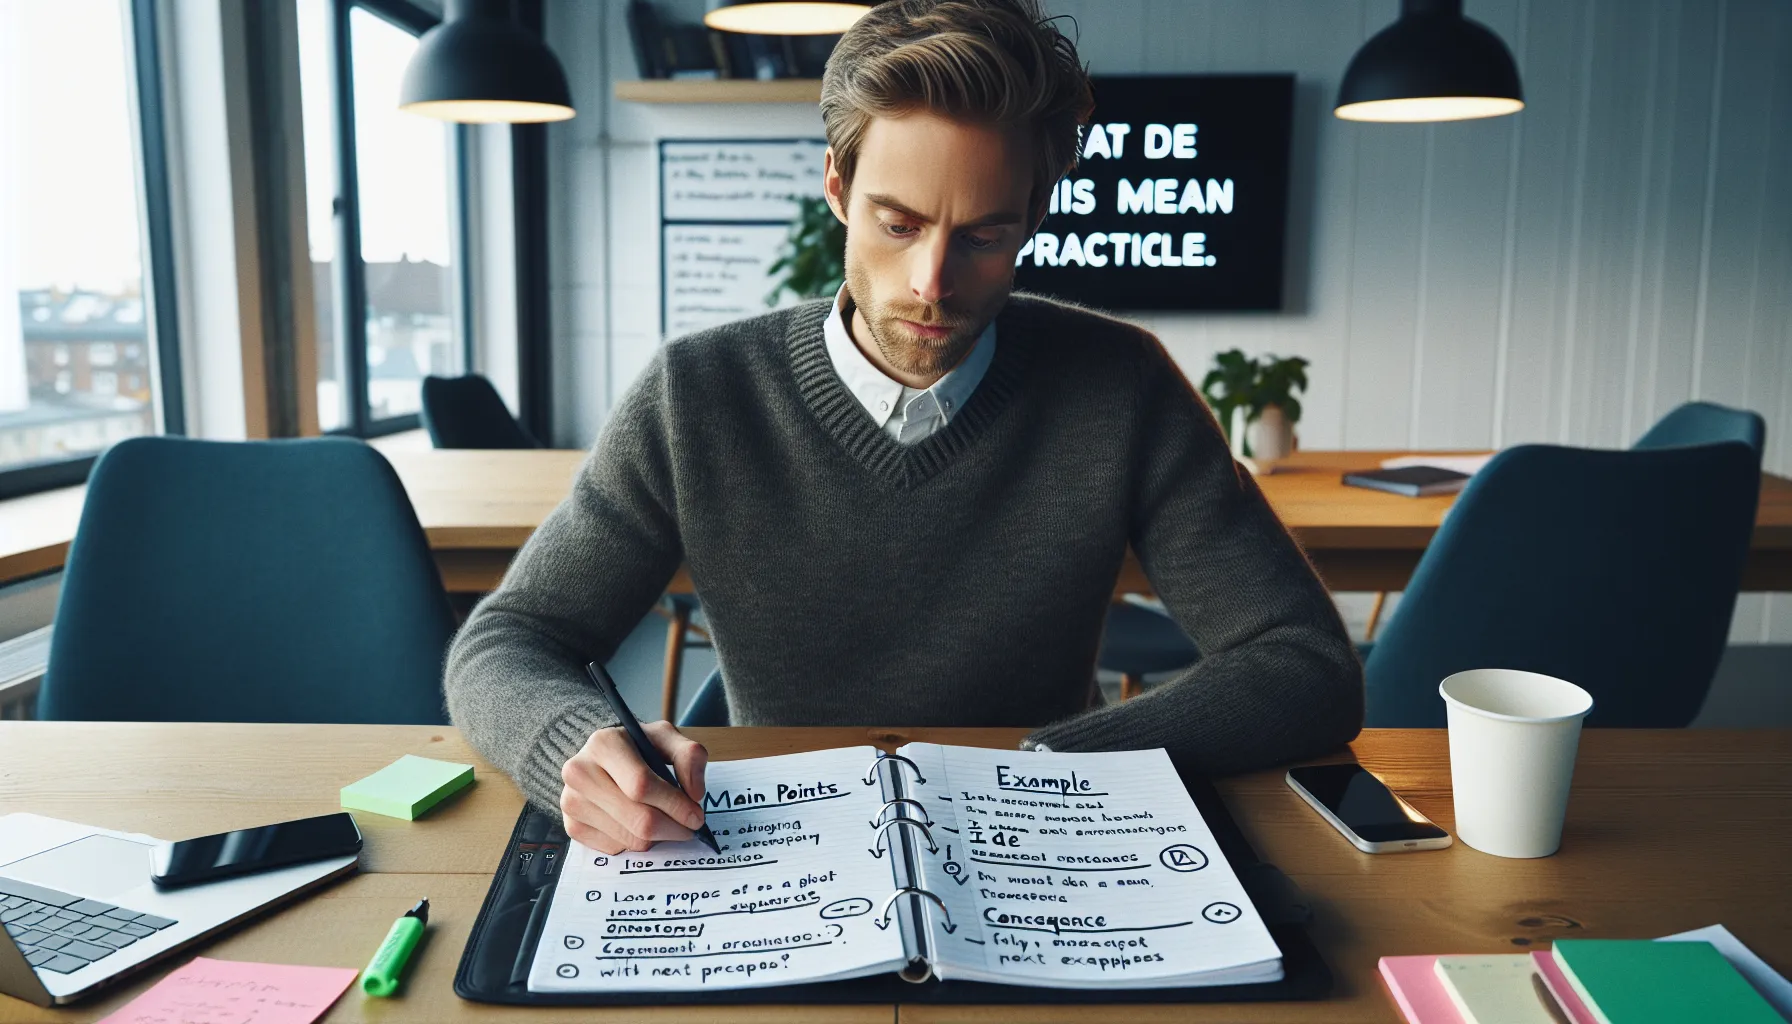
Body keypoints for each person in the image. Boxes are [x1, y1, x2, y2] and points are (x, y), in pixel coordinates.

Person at [445, 0, 1362, 856]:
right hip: (771, 846)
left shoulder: (1122, 387)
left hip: (1042, 840)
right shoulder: (697, 394)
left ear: (1036, 217)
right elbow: (507, 642)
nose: (932, 282)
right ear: (838, 189)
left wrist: (1058, 767)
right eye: (898, 223)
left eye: (984, 236)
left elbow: (1306, 663)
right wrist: (575, 743)